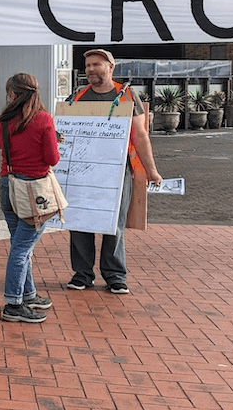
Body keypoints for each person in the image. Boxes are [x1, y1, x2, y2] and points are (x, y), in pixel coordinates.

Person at [66, 49, 163, 294]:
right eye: (88, 65)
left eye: (97, 64)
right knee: (80, 222)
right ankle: (82, 274)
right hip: (81, 173)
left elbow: (140, 136)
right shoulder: (77, 97)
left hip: (117, 173)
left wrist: (151, 170)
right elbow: (64, 133)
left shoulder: (128, 96)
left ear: (111, 67)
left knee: (114, 224)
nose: (90, 69)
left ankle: (115, 276)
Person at [0, 73, 60, 323]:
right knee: (22, 248)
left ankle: (28, 294)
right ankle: (13, 303)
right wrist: (54, 140)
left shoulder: (2, 121)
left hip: (7, 186)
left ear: (12, 94)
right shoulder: (43, 120)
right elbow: (52, 159)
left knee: (20, 244)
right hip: (35, 191)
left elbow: (7, 148)